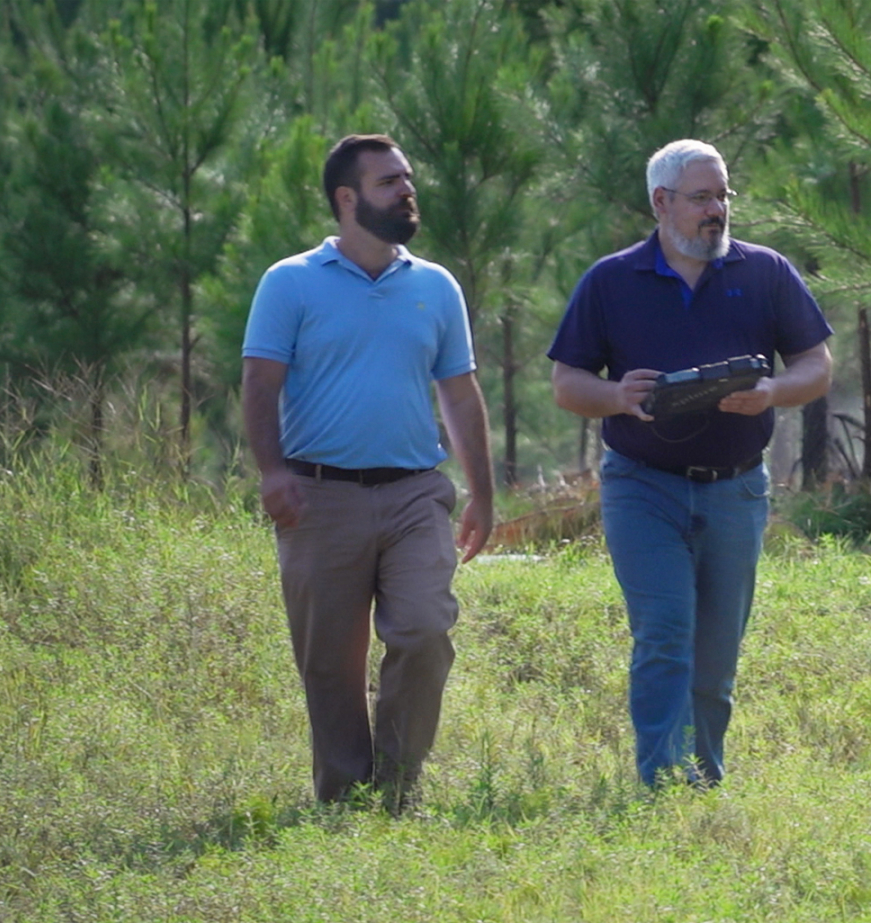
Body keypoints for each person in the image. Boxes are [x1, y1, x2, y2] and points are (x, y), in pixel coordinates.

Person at [548, 139, 833, 787]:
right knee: (665, 632)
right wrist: (618, 396)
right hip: (641, 487)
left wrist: (770, 392)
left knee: (715, 653)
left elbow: (816, 367)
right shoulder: (611, 280)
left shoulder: (766, 272)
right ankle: (661, 782)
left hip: (736, 490)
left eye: (724, 195)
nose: (718, 209)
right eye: (702, 197)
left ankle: (704, 778)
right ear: (661, 202)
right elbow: (567, 383)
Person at [241, 133, 493, 810]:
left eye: (407, 179)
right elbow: (261, 383)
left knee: (423, 631)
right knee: (330, 664)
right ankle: (343, 799)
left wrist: (484, 497)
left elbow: (461, 395)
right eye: (389, 183)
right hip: (319, 496)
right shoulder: (289, 282)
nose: (407, 191)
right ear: (347, 199)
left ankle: (398, 788)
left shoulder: (436, 286)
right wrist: (271, 470)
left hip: (415, 494)